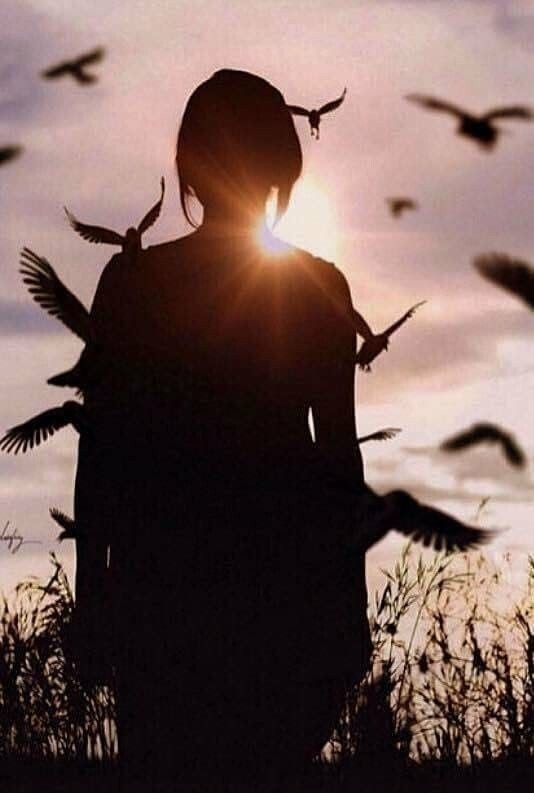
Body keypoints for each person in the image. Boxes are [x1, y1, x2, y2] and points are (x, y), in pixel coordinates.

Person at [73, 69, 372, 787]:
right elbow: (338, 459)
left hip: (162, 594)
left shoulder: (131, 285)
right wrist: (347, 604)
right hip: (280, 593)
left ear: (190, 165)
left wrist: (94, 596)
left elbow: (102, 455)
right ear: (281, 167)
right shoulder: (319, 289)